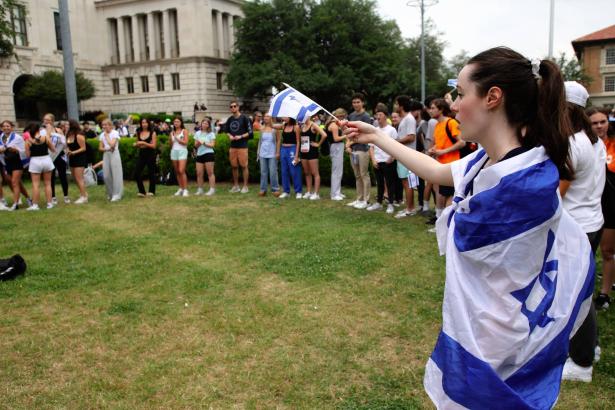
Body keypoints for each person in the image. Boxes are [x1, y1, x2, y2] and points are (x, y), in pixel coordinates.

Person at [343, 47, 593, 408]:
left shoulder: (526, 183)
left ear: (493, 98)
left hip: (504, 335)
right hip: (486, 323)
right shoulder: (487, 160)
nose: (455, 105)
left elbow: (471, 231)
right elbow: (438, 172)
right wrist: (379, 137)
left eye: (461, 94)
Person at [588, 107, 614, 310]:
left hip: (611, 204)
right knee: (589, 252)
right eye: (594, 123)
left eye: (602, 122)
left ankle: (604, 293)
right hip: (591, 205)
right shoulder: (585, 145)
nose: (599, 126)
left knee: (607, 251)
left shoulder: (613, 145)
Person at [426, 98, 465, 225]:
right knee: (440, 193)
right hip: (440, 165)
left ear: (441, 109)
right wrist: (434, 149)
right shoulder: (437, 125)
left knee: (447, 195)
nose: (430, 111)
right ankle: (439, 219)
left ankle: (445, 221)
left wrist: (443, 152)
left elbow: (462, 142)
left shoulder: (451, 123)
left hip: (451, 165)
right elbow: (439, 144)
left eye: (433, 108)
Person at [393, 96, 419, 219]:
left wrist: (395, 142)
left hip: (408, 155)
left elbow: (411, 137)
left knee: (408, 183)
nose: (395, 106)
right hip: (403, 155)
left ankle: (410, 209)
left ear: (401, 106)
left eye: (396, 104)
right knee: (406, 183)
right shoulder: (405, 119)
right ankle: (409, 207)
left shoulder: (409, 119)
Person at [368, 106, 397, 214]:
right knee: (379, 183)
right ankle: (379, 203)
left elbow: (395, 146)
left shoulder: (391, 130)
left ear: (385, 115)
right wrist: (373, 160)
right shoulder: (375, 130)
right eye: (376, 115)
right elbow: (371, 146)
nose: (377, 117)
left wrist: (391, 157)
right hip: (377, 161)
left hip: (388, 161)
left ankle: (390, 204)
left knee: (390, 183)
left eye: (380, 114)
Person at [346, 93, 372, 209]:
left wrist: (350, 143)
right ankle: (359, 198)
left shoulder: (366, 116)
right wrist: (348, 144)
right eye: (354, 102)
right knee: (357, 176)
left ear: (362, 103)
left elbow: (366, 134)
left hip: (363, 149)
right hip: (353, 150)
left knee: (364, 174)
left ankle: (366, 200)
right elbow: (348, 132)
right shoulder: (351, 116)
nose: (356, 104)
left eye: (358, 102)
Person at [0, 120, 30, 210]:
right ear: (1, 128)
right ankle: (28, 198)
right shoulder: (1, 137)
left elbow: (23, 151)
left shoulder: (17, 137)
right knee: (15, 182)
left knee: (14, 182)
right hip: (6, 163)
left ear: (12, 127)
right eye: (4, 126)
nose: (6, 128)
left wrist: (15, 150)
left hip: (17, 162)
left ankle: (15, 204)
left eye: (8, 126)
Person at [224, 100, 252, 193]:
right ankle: (236, 186)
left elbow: (250, 132)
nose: (233, 108)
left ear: (238, 107)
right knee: (234, 166)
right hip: (233, 146)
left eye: (234, 106)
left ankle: (245, 186)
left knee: (244, 166)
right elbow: (226, 130)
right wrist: (230, 136)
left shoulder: (245, 118)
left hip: (242, 146)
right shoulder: (230, 119)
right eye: (231, 107)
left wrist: (241, 136)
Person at [25, 125, 55, 210]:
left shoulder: (28, 141)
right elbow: (53, 149)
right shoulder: (45, 138)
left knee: (35, 185)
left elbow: (27, 155)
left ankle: (35, 205)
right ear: (39, 129)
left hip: (35, 162)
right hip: (46, 160)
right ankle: (49, 204)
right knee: (48, 183)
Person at [298, 115, 327, 200]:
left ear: (309, 116)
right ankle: (308, 191)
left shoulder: (313, 125)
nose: (302, 118)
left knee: (315, 173)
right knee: (307, 172)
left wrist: (318, 144)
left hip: (312, 151)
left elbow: (324, 135)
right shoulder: (302, 126)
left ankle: (316, 193)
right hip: (303, 151)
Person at [46, 115, 70, 205]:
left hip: (59, 155)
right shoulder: (42, 131)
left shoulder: (58, 130)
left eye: (48, 120)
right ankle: (53, 197)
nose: (46, 121)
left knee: (62, 176)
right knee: (51, 178)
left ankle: (66, 196)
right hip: (49, 156)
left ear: (52, 121)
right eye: (45, 120)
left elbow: (64, 142)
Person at [99, 118, 123, 201]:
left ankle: (117, 194)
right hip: (106, 154)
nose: (104, 126)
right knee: (106, 175)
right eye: (103, 125)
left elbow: (112, 144)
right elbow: (100, 148)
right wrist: (106, 149)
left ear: (110, 125)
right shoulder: (102, 135)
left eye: (105, 125)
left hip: (114, 154)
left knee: (116, 174)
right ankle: (110, 193)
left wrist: (106, 136)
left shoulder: (115, 133)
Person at [256, 114, 280, 197]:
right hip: (262, 153)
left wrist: (277, 152)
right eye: (265, 116)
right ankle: (263, 190)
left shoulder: (275, 129)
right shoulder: (261, 128)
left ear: (271, 118)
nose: (266, 117)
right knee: (263, 172)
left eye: (268, 116)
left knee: (273, 172)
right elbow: (260, 141)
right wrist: (258, 152)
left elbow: (278, 140)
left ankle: (275, 189)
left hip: (272, 153)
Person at [277, 117, 302, 198]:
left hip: (292, 149)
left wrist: (296, 155)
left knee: (294, 171)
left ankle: (298, 191)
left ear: (290, 117)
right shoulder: (283, 125)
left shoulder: (296, 127)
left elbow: (298, 142)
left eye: (285, 116)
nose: (283, 117)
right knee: (284, 171)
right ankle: (286, 191)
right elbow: (272, 125)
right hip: (283, 149)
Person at [65, 119, 89, 204]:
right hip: (72, 158)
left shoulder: (79, 135)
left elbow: (83, 148)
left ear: (72, 125)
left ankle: (84, 197)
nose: (66, 126)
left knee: (79, 178)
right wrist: (67, 150)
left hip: (80, 158)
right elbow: (68, 146)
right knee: (75, 178)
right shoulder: (68, 135)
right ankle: (84, 193)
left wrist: (73, 152)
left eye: (67, 125)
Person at [134, 118, 158, 197]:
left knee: (151, 173)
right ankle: (142, 191)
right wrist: (137, 144)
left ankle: (152, 191)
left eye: (145, 122)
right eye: (142, 122)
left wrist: (144, 143)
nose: (144, 124)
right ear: (141, 124)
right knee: (137, 172)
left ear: (148, 124)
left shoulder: (153, 133)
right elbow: (138, 143)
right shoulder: (138, 132)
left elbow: (154, 146)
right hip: (142, 154)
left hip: (150, 154)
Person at [327, 108, 347, 201]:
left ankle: (337, 192)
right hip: (336, 146)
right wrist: (346, 135)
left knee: (339, 170)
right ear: (338, 116)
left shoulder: (336, 124)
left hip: (338, 146)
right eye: (342, 116)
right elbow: (336, 138)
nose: (342, 118)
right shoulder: (334, 125)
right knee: (336, 171)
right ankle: (334, 194)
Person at [194, 118, 216, 196]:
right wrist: (199, 143)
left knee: (210, 173)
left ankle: (212, 189)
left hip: (209, 154)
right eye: (203, 123)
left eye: (207, 123)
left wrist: (204, 143)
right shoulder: (197, 133)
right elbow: (195, 145)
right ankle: (200, 189)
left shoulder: (211, 134)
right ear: (201, 124)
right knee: (199, 173)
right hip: (199, 154)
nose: (205, 124)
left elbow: (213, 145)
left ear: (209, 125)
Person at [169, 117, 189, 196]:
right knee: (177, 171)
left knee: (181, 170)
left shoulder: (184, 131)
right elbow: (170, 145)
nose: (176, 123)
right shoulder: (172, 132)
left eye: (178, 121)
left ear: (181, 123)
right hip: (174, 151)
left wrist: (177, 138)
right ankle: (180, 188)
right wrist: (171, 139)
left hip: (182, 151)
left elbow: (186, 142)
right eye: (175, 122)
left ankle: (185, 190)